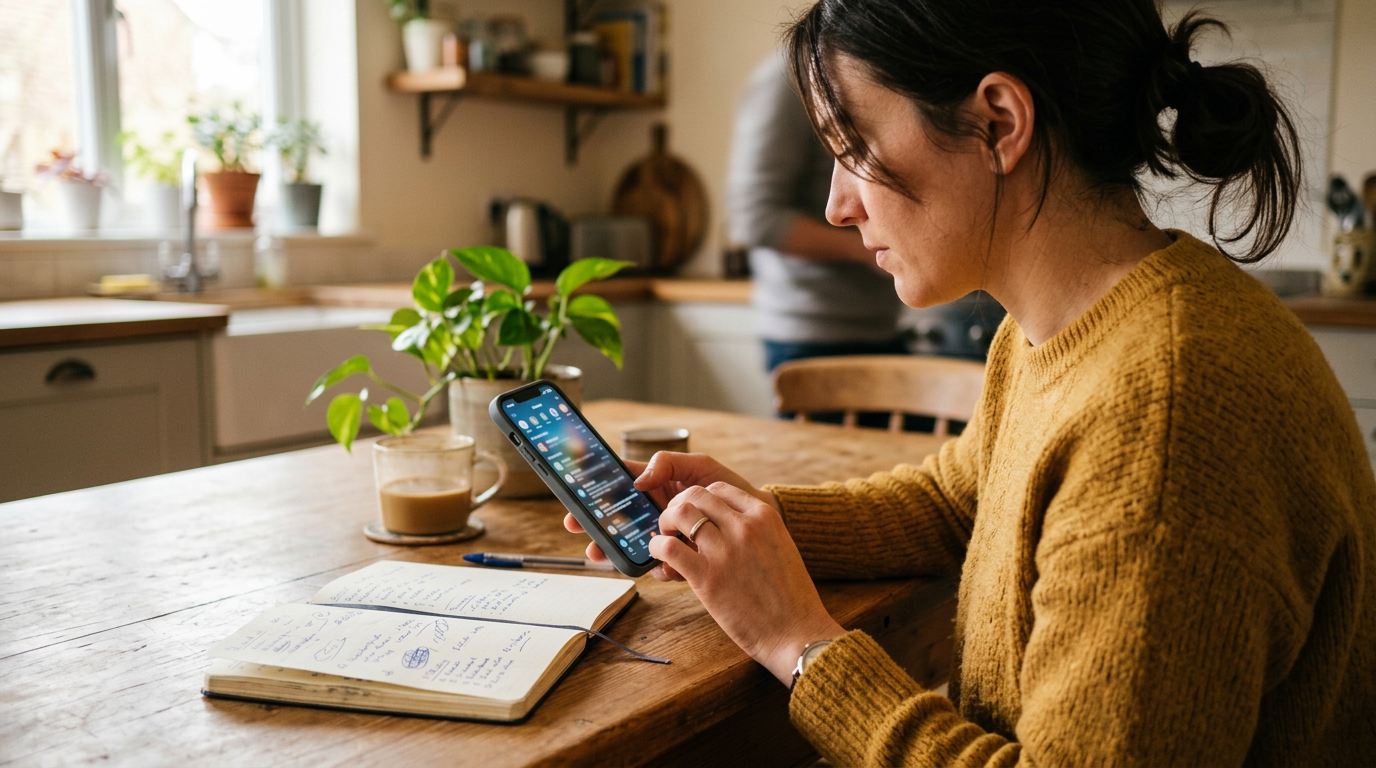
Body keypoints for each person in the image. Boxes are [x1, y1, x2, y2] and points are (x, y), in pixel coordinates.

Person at [573, 0, 1376, 765]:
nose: (836, 204)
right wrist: (751, 525)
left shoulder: (1167, 419)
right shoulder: (1059, 324)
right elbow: (960, 499)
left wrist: (801, 644)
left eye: (853, 147)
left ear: (998, 123)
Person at [726, 50, 907, 375]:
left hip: (884, 323)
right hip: (812, 333)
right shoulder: (787, 77)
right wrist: (871, 251)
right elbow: (754, 218)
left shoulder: (873, 61)